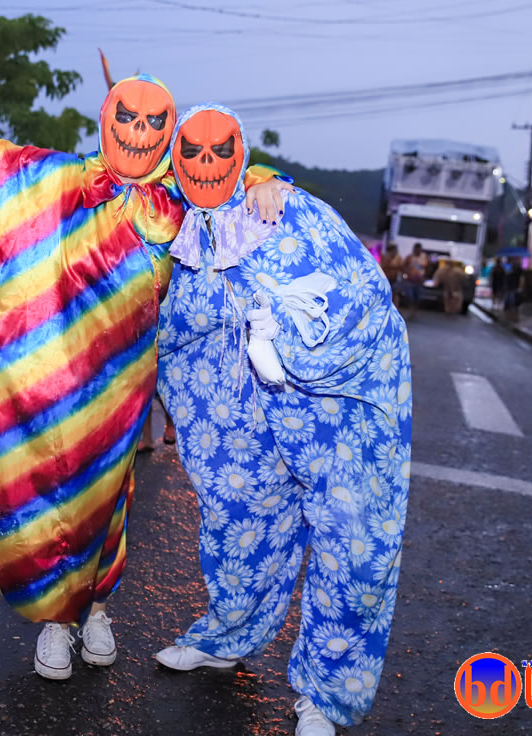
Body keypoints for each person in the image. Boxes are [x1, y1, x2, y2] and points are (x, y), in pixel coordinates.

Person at [0, 20, 293, 680]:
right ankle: (55, 621)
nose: (139, 132)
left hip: (121, 389)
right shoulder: (52, 179)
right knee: (42, 500)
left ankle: (96, 610)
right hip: (44, 387)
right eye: (128, 117)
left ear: (167, 132)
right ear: (107, 119)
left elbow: (223, 172)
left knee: (108, 498)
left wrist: (264, 177)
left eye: (154, 123)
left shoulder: (174, 203)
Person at [152, 104, 411, 736]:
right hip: (247, 417)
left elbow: (361, 294)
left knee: (352, 542)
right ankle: (227, 637)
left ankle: (325, 695)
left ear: (242, 154)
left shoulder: (289, 210)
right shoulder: (178, 228)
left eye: (222, 151)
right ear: (174, 162)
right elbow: (179, 328)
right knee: (238, 519)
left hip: (332, 414)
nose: (206, 163)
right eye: (191, 152)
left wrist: (290, 340)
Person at [400, 243, 429, 318]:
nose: (417, 251)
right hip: (410, 280)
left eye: (419, 249)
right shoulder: (410, 257)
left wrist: (425, 277)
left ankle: (414, 312)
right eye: (416, 249)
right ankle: (409, 311)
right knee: (410, 297)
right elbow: (403, 266)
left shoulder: (424, 257)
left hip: (419, 281)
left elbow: (427, 267)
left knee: (417, 297)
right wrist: (406, 273)